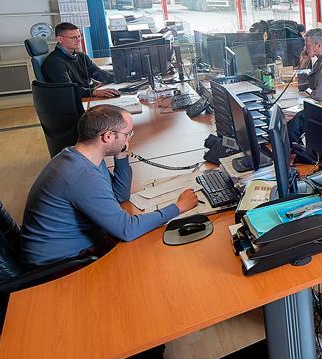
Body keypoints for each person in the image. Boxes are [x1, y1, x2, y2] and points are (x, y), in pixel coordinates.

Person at [20, 105, 198, 267]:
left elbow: (119, 195)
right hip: (60, 265)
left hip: (73, 249)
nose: (129, 139)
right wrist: (178, 207)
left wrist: (120, 154)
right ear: (108, 137)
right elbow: (127, 229)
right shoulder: (83, 175)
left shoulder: (82, 156)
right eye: (127, 134)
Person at [42, 22, 119, 98]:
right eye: (73, 37)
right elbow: (69, 89)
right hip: (75, 99)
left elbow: (99, 74)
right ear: (60, 39)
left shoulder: (81, 56)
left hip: (87, 94)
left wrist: (119, 78)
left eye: (79, 36)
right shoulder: (54, 62)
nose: (78, 40)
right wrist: (94, 92)